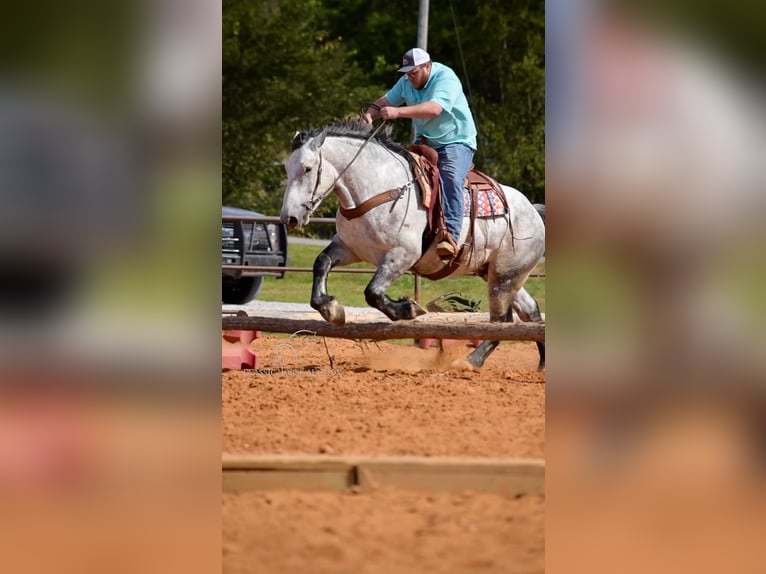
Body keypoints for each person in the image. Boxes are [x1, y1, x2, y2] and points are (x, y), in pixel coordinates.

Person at [363, 48, 477, 259]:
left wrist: (398, 112)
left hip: (456, 141)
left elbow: (434, 109)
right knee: (398, 171)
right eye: (406, 73)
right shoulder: (407, 81)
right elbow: (386, 100)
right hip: (425, 141)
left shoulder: (446, 78)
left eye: (413, 72)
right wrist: (371, 113)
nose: (409, 77)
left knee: (450, 177)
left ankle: (451, 236)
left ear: (427, 66)